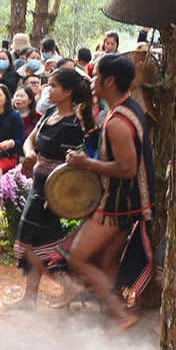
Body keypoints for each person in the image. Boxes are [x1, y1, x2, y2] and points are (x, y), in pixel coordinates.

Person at [62, 53, 157, 330]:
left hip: (118, 204)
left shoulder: (117, 121)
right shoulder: (128, 108)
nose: (92, 81)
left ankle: (121, 314)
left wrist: (85, 162)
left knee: (78, 257)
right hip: (130, 201)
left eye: (96, 75)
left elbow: (127, 169)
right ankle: (117, 313)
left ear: (110, 80)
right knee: (104, 261)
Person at [10, 68, 93, 310]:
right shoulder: (49, 113)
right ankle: (30, 298)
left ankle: (69, 285)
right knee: (35, 243)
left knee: (34, 245)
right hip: (38, 185)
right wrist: (29, 155)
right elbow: (29, 141)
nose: (49, 89)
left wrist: (57, 198)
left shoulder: (71, 125)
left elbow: (74, 168)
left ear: (67, 92)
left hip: (50, 193)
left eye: (54, 85)